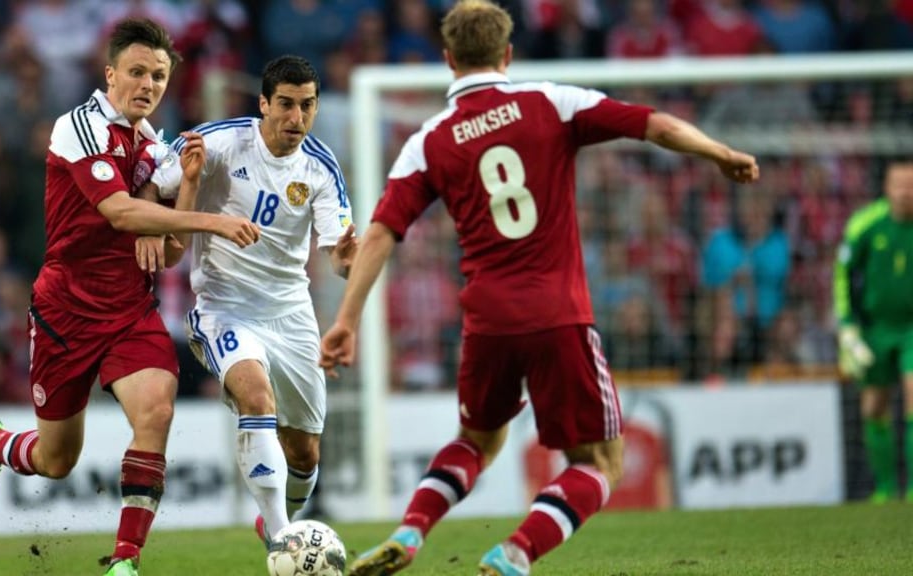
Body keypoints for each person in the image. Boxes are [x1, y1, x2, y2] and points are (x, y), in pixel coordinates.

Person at [318, 2, 759, 575]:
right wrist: (719, 153)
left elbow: (380, 234)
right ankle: (515, 552)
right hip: (558, 314)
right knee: (601, 461)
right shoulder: (553, 102)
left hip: (487, 321)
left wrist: (347, 320)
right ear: (507, 54)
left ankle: (410, 530)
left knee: (476, 441)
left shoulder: (428, 141)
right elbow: (656, 124)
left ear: (448, 60)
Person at [0, 18, 261, 576]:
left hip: (129, 309)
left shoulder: (155, 147)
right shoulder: (78, 127)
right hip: (65, 311)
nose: (148, 84)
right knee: (56, 461)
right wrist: (212, 221)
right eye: (138, 72)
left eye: (160, 76)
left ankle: (124, 561)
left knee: (157, 410)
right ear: (110, 74)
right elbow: (119, 211)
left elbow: (169, 252)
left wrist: (188, 184)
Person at [142, 54, 357, 551]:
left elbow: (338, 257)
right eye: (284, 104)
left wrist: (348, 258)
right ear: (263, 103)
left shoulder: (321, 169)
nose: (295, 118)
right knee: (255, 397)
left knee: (304, 453)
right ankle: (282, 540)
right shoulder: (219, 141)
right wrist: (153, 222)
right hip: (223, 306)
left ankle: (279, 520)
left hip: (291, 313)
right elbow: (154, 178)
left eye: (307, 106)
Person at [834, 158, 913, 503]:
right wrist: (847, 326)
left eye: (911, 185)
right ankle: (885, 488)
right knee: (874, 408)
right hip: (876, 328)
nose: (906, 192)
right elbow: (842, 275)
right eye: (900, 184)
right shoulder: (865, 225)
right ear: (887, 187)